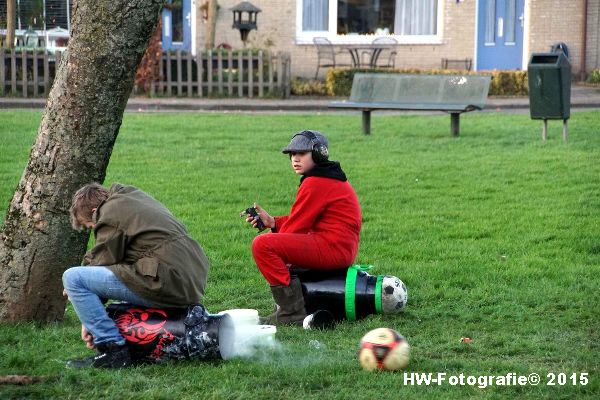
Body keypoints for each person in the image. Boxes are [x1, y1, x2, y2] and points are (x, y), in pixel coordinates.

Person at [62, 183, 209, 368]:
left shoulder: (110, 213)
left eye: (91, 226)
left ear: (94, 211)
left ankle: (113, 350)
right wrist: (90, 315)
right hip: (187, 279)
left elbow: (101, 260)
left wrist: (89, 319)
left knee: (73, 278)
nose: (94, 230)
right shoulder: (131, 198)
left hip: (168, 281)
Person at [245, 130, 362, 325]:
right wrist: (273, 222)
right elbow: (303, 221)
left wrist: (276, 235)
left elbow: (295, 229)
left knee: (262, 245)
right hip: (337, 246)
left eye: (301, 154)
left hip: (333, 248)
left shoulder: (316, 182)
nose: (295, 159)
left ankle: (292, 311)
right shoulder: (325, 176)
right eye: (292, 155)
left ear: (319, 153)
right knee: (276, 247)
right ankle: (296, 306)